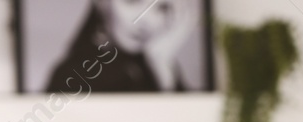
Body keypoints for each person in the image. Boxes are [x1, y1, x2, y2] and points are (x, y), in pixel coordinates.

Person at [44, 0, 202, 93]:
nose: (146, 19)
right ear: (102, 3)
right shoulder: (73, 74)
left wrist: (161, 65)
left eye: (162, 7)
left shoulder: (156, 64)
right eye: (132, 0)